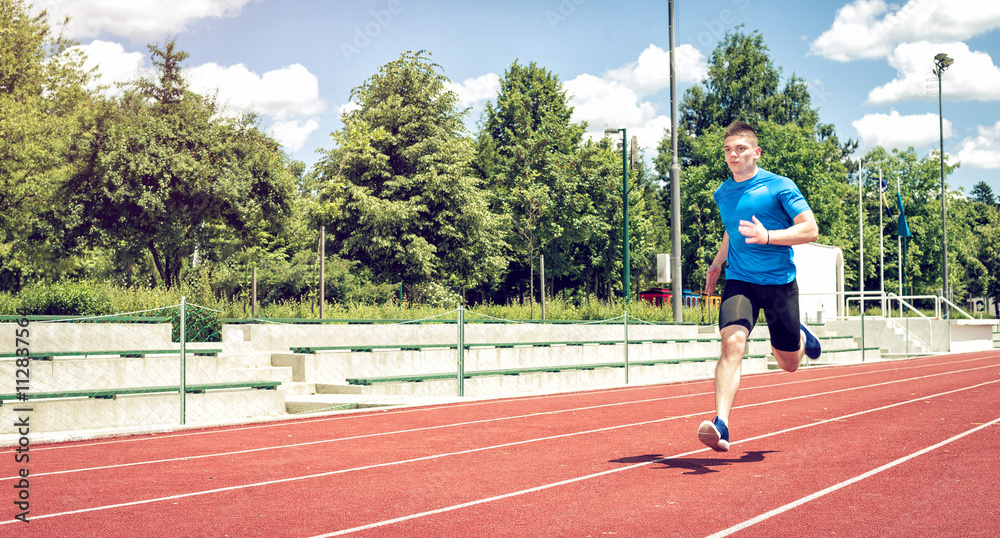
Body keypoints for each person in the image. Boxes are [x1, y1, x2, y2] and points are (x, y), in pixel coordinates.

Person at [698, 120, 822, 452]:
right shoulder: (722, 193)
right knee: (732, 343)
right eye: (727, 150)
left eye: (740, 149)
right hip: (741, 281)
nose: (733, 155)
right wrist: (717, 262)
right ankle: (721, 424)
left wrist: (768, 236)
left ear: (756, 152)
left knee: (789, 364)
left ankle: (798, 337)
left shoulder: (779, 186)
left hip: (780, 284)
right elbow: (731, 230)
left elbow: (810, 229)